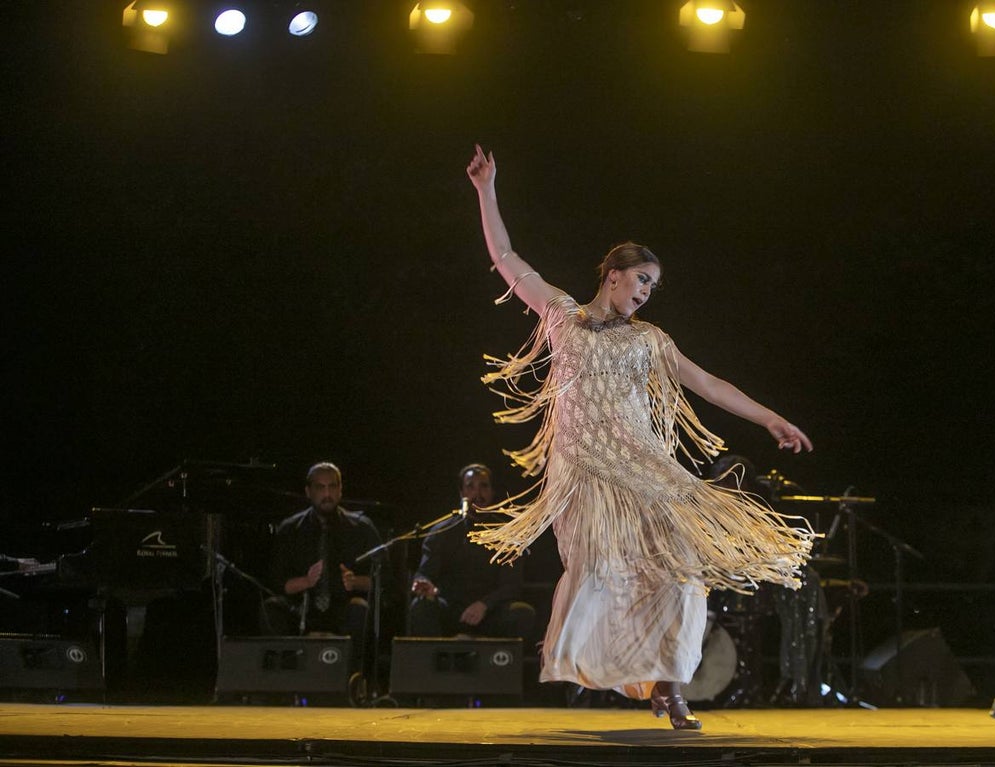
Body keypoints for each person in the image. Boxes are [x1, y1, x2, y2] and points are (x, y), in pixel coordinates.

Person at [463, 144, 816, 729]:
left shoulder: (649, 338)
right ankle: (625, 676)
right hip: (583, 470)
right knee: (602, 574)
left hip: (642, 465)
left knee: (683, 569)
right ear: (613, 276)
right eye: (642, 281)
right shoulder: (560, 317)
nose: (647, 292)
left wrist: (768, 417)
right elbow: (505, 256)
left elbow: (707, 382)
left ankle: (671, 686)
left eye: (653, 285)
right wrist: (486, 191)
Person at [263, 463, 386, 670]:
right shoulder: (290, 529)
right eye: (320, 488)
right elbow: (276, 583)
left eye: (332, 487)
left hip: (342, 609)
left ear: (340, 490)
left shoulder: (362, 527)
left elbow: (385, 582)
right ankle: (284, 680)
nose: (327, 494)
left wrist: (356, 582)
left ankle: (351, 680)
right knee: (271, 608)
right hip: (303, 609)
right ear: (308, 492)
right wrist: (306, 581)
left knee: (359, 609)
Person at [408, 463, 535, 641]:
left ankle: (497, 664)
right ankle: (437, 665)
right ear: (462, 493)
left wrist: (485, 604)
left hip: (488, 612)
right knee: (421, 606)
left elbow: (512, 585)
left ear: (492, 492)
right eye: (470, 486)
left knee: (522, 613)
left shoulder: (507, 534)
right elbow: (424, 573)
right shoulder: (441, 531)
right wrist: (424, 584)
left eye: (484, 486)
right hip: (451, 610)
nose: (478, 493)